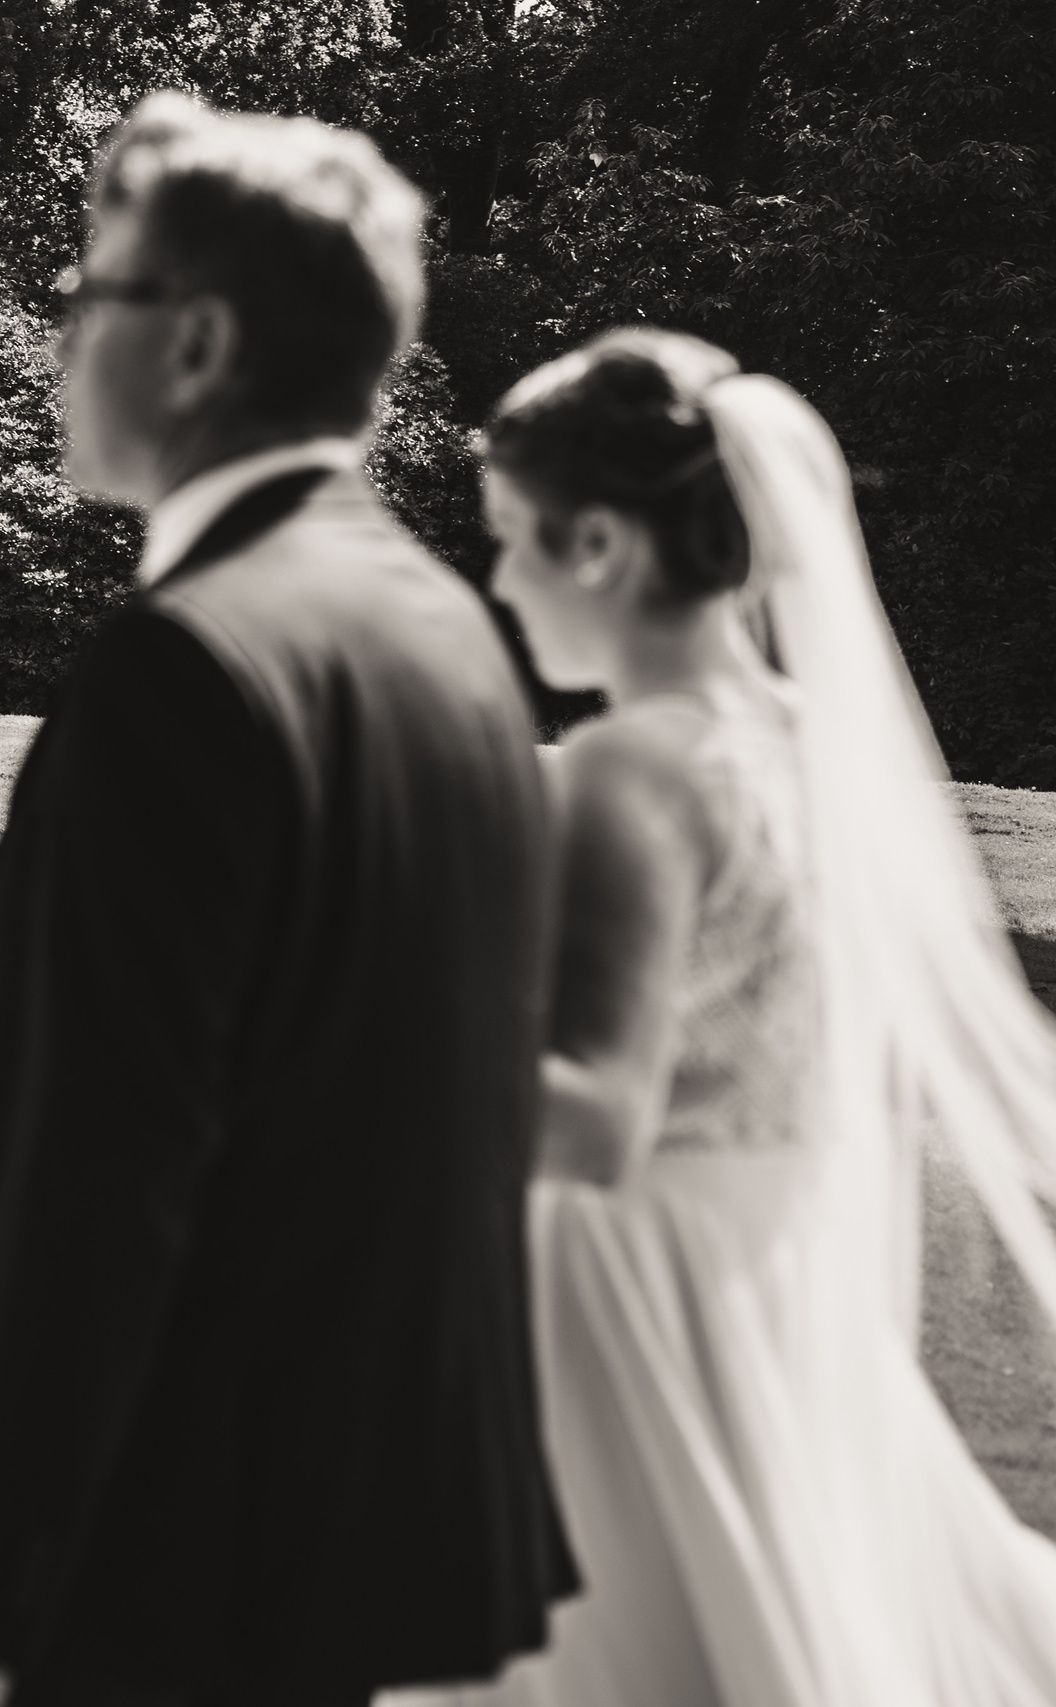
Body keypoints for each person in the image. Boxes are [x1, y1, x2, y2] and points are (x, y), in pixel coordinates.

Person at [0, 93, 577, 1707]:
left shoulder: (186, 668)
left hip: (160, 1561)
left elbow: (101, 1179)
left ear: (197, 343)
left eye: (84, 292)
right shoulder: (445, 633)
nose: (52, 332)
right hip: (345, 1539)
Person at [383, 328, 1056, 1705]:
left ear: (604, 549)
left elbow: (596, 1115)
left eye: (513, 540)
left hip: (627, 1295)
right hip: (781, 1273)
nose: (498, 581)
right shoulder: (814, 748)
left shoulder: (632, 767)